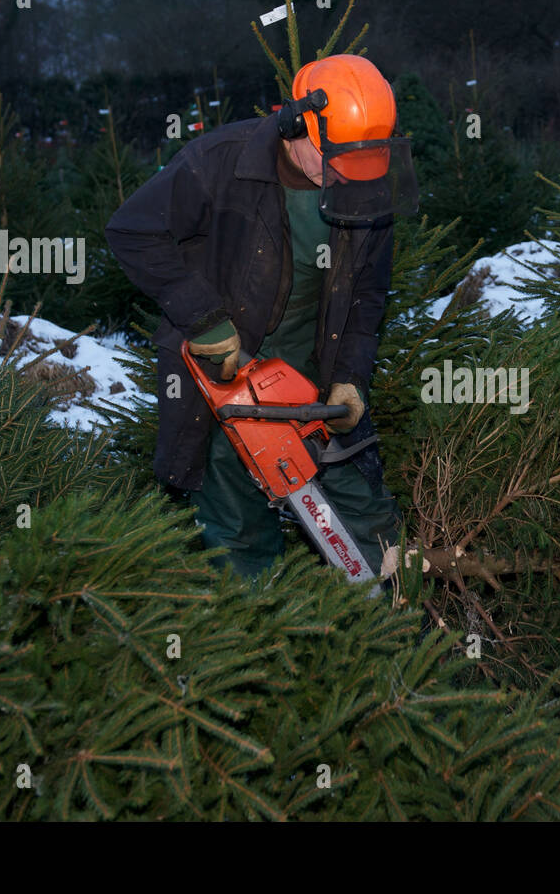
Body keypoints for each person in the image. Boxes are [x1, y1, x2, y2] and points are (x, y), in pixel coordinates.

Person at [106, 54, 417, 579]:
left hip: (316, 379)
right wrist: (202, 318)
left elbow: (367, 294)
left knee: (370, 518)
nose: (342, 171)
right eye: (332, 155)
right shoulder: (220, 162)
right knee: (238, 538)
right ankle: (256, 640)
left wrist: (349, 377)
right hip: (229, 382)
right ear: (296, 123)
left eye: (356, 158)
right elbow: (132, 231)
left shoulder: (364, 173)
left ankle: (397, 630)